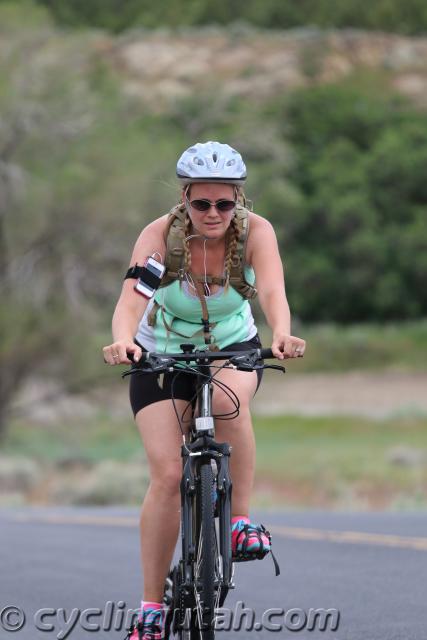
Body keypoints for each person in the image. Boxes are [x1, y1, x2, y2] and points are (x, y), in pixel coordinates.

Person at [102, 141, 306, 640]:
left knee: (231, 402)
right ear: (185, 198)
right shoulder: (159, 237)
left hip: (231, 345)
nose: (212, 213)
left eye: (224, 203)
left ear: (238, 200)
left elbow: (275, 289)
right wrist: (123, 340)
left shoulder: (256, 233)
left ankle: (239, 523)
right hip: (163, 351)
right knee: (169, 474)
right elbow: (130, 301)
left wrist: (280, 330)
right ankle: (151, 607)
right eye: (201, 203)